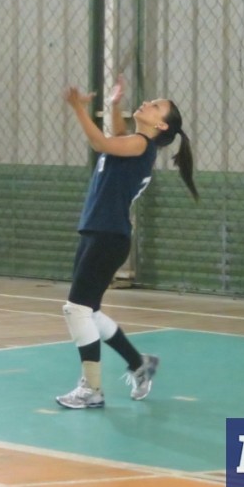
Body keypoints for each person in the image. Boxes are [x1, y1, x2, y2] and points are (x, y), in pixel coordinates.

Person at [56, 75, 198, 409]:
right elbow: (117, 136)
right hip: (99, 232)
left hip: (109, 235)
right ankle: (139, 364)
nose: (147, 103)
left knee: (76, 309)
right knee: (87, 310)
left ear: (160, 124)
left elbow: (102, 144)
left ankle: (91, 390)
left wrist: (78, 109)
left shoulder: (140, 146)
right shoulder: (134, 142)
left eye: (156, 105)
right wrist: (116, 104)